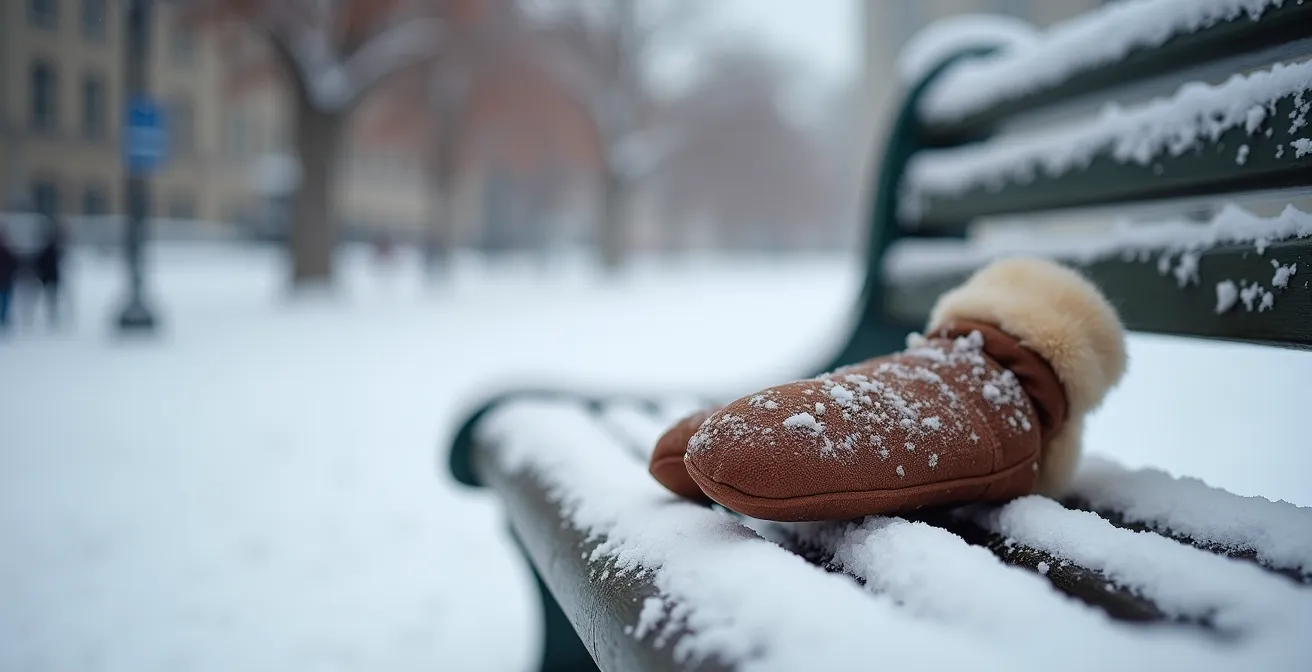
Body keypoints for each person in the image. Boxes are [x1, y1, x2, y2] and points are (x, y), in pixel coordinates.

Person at [31, 219, 66, 327]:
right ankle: (48, 316)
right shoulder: (50, 250)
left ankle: (49, 316)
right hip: (48, 277)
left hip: (48, 277)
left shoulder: (46, 250)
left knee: (50, 298)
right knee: (49, 298)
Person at [0, 225, 16, 330]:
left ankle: (3, 320)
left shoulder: (7, 252)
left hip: (5, 282)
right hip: (5, 282)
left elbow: (13, 266)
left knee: (5, 303)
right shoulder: (8, 252)